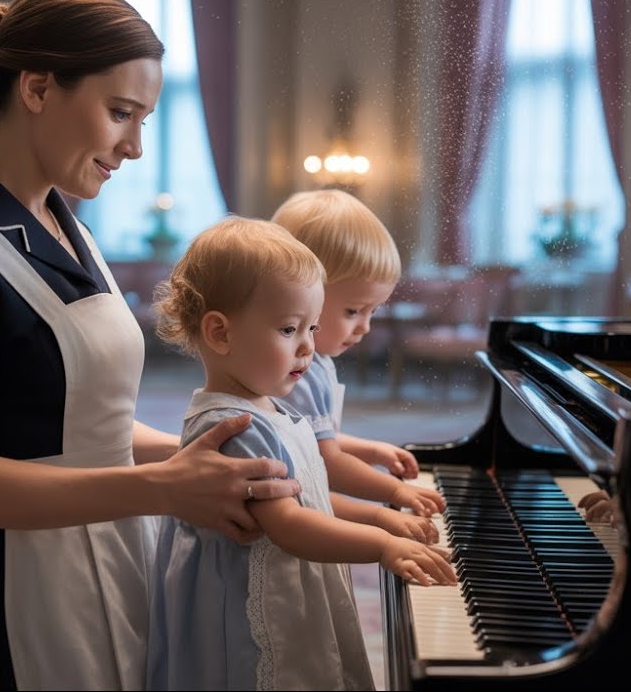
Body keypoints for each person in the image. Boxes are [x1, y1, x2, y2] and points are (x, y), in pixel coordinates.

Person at [0, 0, 299, 690]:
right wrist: (164, 488)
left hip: (114, 548)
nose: (132, 146)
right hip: (11, 598)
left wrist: (225, 450)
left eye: (144, 120)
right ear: (37, 89)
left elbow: (81, 426)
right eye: (120, 112)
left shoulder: (69, 226)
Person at [146, 216, 457, 691]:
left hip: (289, 581)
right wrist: (380, 542)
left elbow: (310, 497)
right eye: (290, 329)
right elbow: (289, 524)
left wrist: (379, 517)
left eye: (312, 327)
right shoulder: (235, 427)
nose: (310, 347)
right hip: (248, 605)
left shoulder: (269, 407)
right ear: (220, 333)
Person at [271, 189, 446, 515]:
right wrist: (395, 491)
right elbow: (326, 461)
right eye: (353, 311)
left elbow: (314, 438)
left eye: (373, 311)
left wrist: (371, 450)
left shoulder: (314, 363)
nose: (365, 326)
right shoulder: (296, 374)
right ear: (300, 295)